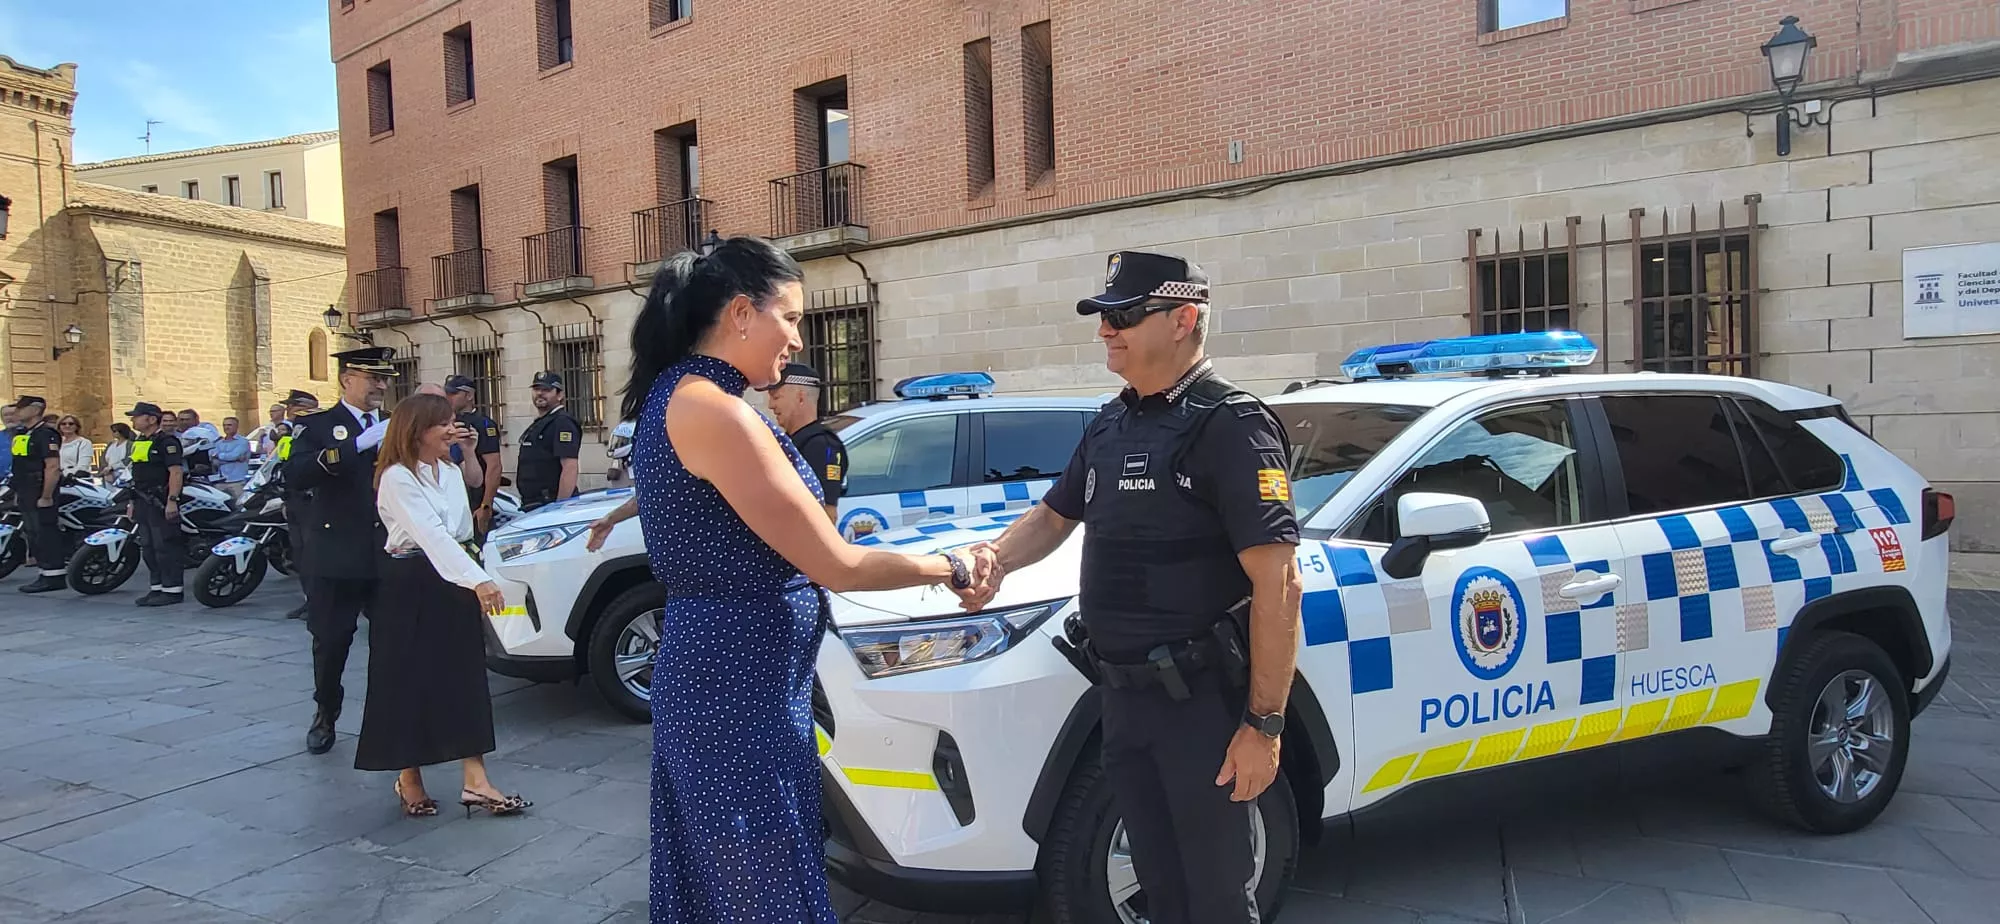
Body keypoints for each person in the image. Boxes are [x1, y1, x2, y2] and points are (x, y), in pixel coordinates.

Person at [585, 236, 994, 923]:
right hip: (736, 683)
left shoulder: (683, 396)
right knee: (757, 880)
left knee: (732, 874)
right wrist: (950, 566)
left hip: (730, 672)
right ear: (742, 313)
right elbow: (835, 563)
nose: (798, 339)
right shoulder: (716, 410)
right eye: (792, 317)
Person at [960, 251, 1303, 924]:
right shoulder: (1112, 422)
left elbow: (1281, 584)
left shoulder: (1232, 424)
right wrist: (995, 558)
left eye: (1123, 316)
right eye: (1103, 317)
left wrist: (1263, 726)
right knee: (1159, 889)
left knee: (1214, 898)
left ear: (1183, 320)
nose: (1105, 330)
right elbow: (1054, 515)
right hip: (1123, 702)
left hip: (1201, 709)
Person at [358, 392, 530, 818]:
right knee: (407, 680)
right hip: (409, 583)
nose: (452, 429)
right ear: (418, 431)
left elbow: (459, 532)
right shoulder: (397, 478)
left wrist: (475, 575)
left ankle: (476, 780)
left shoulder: (450, 471)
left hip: (452, 580)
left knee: (464, 677)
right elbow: (430, 534)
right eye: (444, 423)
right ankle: (409, 776)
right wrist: (479, 580)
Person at [286, 347, 398, 755]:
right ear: (347, 379)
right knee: (332, 642)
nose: (381, 386)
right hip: (336, 552)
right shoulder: (316, 425)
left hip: (386, 550)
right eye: (373, 378)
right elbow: (295, 474)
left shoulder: (395, 423)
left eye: (384, 379)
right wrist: (356, 444)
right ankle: (326, 712)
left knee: (393, 643)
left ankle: (389, 718)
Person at [757, 362, 848, 523]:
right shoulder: (788, 441)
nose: (771, 405)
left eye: (776, 397)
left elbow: (827, 514)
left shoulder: (822, 445)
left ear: (800, 397)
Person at [124, 402, 189, 606]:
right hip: (142, 500)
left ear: (152, 419)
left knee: (165, 546)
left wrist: (172, 500)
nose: (133, 420)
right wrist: (132, 502)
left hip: (159, 500)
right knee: (148, 547)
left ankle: (172, 590)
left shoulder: (167, 441)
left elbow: (175, 472)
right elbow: (137, 474)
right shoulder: (141, 441)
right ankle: (157, 588)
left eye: (137, 416)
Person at [10, 396, 66, 593]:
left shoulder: (45, 434)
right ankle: (44, 573)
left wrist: (46, 496)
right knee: (33, 533)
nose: (17, 411)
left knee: (45, 533)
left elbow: (52, 467)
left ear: (35, 410)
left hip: (39, 489)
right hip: (25, 489)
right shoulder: (24, 434)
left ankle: (54, 575)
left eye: (21, 407)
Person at [276, 390, 320, 622]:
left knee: (313, 554)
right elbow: (285, 466)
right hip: (293, 498)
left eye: (293, 406)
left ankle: (318, 601)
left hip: (310, 500)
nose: (289, 411)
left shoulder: (317, 431)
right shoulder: (291, 434)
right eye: (289, 407)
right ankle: (308, 599)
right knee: (300, 553)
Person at [443, 375, 503, 535]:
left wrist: (486, 505)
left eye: (453, 393)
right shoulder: (445, 422)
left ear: (469, 395)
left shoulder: (483, 424)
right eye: (446, 393)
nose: (448, 398)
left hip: (474, 498)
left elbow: (494, 466)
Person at [515, 371, 581, 509]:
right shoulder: (542, 422)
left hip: (550, 503)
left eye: (546, 390)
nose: (540, 393)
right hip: (535, 505)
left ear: (560, 395)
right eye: (536, 389)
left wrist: (559, 507)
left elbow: (569, 468)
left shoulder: (562, 422)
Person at [212, 417, 252, 502]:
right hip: (220, 481)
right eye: (224, 425)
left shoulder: (243, 442)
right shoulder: (218, 443)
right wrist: (233, 459)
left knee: (240, 504)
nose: (226, 427)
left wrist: (219, 457)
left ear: (236, 426)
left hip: (237, 481)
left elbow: (234, 455)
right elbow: (212, 458)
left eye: (229, 425)